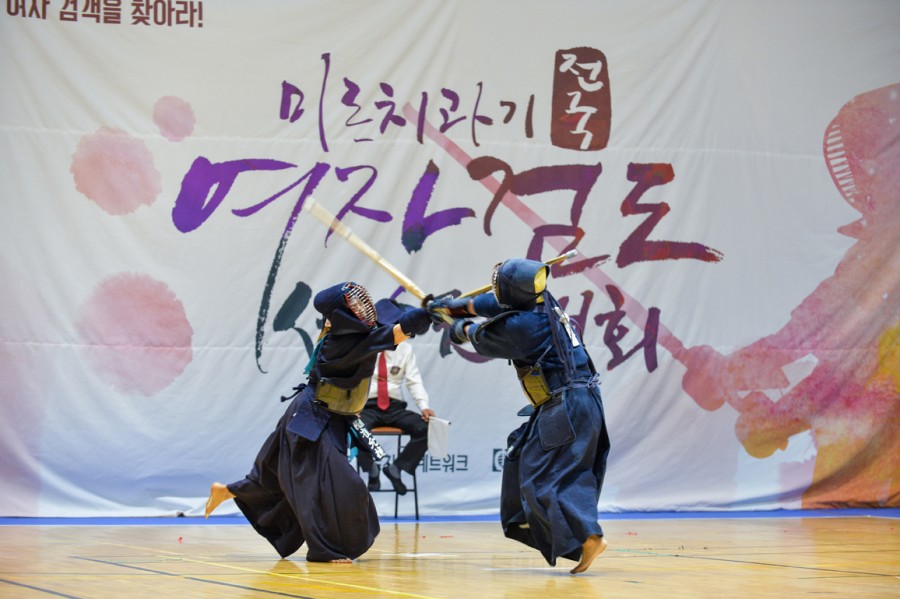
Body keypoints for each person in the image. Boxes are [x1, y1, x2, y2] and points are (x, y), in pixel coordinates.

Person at [204, 281, 433, 563]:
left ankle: (227, 491)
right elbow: (398, 331)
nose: (362, 307)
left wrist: (435, 310)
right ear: (341, 314)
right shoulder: (340, 343)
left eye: (361, 300)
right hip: (312, 418)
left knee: (276, 476)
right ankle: (325, 549)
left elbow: (393, 313)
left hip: (332, 415)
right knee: (333, 486)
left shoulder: (357, 331)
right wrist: (427, 315)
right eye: (353, 304)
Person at [430, 258, 610, 574]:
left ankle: (587, 537)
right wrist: (454, 307)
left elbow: (480, 336)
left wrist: (457, 326)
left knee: (545, 477)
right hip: (577, 402)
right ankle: (541, 527)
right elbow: (490, 304)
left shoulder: (526, 326)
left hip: (567, 405)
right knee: (523, 457)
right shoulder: (543, 303)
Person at [356, 328, 435, 494]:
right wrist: (352, 408)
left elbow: (414, 381)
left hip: (394, 406)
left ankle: (396, 468)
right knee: (355, 428)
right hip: (367, 405)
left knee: (426, 428)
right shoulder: (363, 346)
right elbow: (353, 379)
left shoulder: (405, 349)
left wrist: (424, 406)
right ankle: (371, 469)